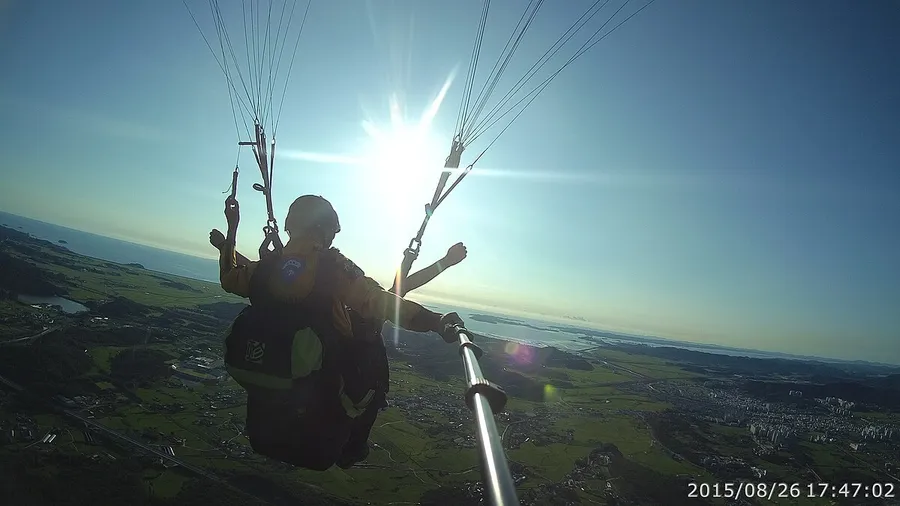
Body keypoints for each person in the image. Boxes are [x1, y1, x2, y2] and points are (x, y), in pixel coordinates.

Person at [212, 194, 464, 471]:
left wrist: (230, 233)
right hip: (324, 388)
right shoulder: (334, 270)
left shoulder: (266, 268)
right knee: (370, 340)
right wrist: (437, 321)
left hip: (270, 386)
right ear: (323, 230)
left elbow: (229, 277)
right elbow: (386, 301)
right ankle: (354, 444)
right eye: (332, 232)